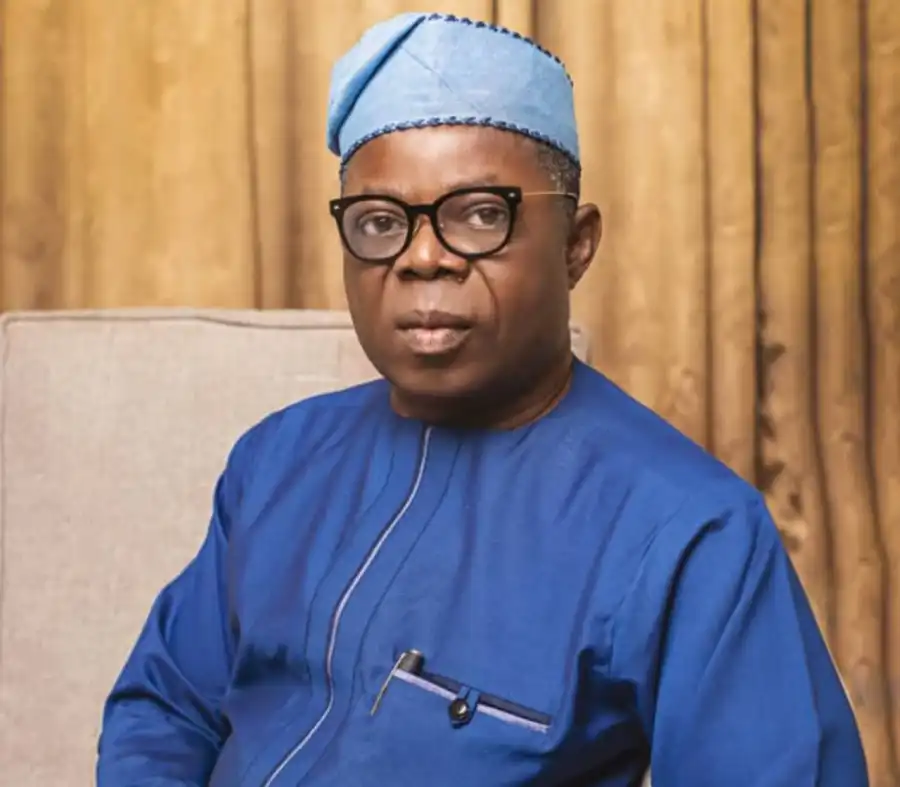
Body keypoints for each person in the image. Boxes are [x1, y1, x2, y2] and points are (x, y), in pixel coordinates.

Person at [96, 11, 868, 787]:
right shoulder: (277, 460)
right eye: (380, 222)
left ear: (576, 245)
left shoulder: (690, 531)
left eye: (479, 215)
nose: (422, 258)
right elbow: (167, 705)